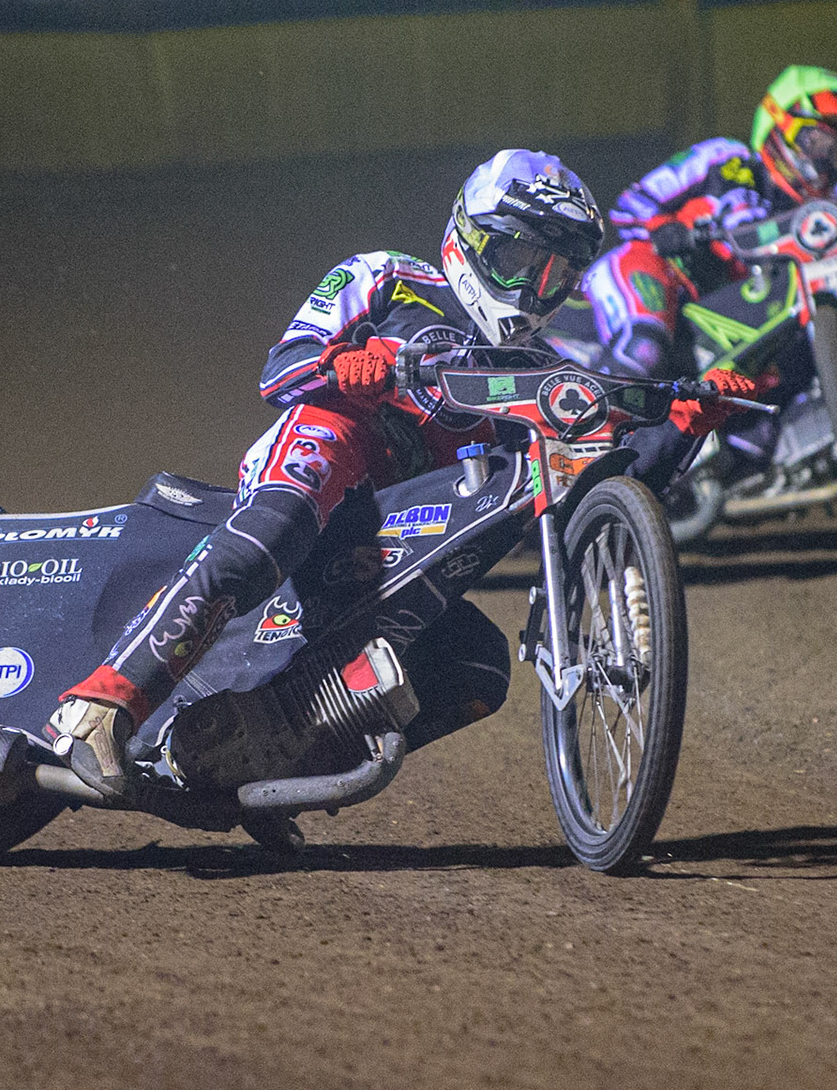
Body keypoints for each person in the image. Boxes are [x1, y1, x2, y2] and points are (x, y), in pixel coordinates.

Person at [47, 150, 749, 799]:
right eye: (519, 260)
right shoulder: (386, 277)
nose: (534, 290)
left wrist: (686, 424)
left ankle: (256, 760)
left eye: (555, 276)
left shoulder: (540, 370)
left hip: (403, 528)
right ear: (471, 239)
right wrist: (345, 366)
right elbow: (280, 370)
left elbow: (596, 489)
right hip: (335, 445)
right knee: (275, 526)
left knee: (477, 664)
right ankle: (103, 705)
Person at [548, 65, 837, 484]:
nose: (826, 162)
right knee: (644, 347)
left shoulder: (812, 222)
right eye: (817, 141)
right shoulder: (725, 158)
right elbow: (629, 207)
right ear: (779, 126)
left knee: (757, 410)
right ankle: (571, 450)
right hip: (652, 269)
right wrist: (668, 230)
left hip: (709, 321)